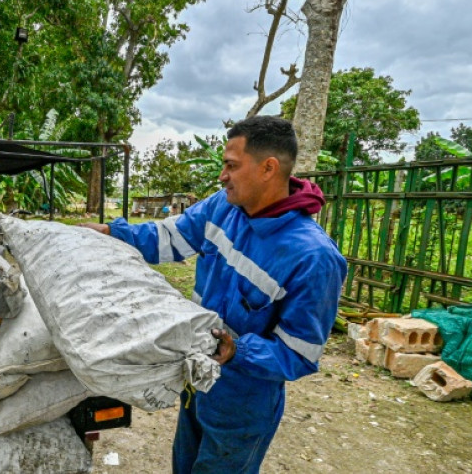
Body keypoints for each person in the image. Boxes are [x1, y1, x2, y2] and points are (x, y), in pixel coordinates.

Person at [81, 115, 347, 473]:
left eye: (231, 166)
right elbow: (166, 237)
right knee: (184, 464)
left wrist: (237, 351)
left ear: (268, 168)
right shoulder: (222, 207)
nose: (222, 176)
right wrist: (109, 232)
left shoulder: (314, 258)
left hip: (243, 402)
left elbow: (300, 354)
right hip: (197, 382)